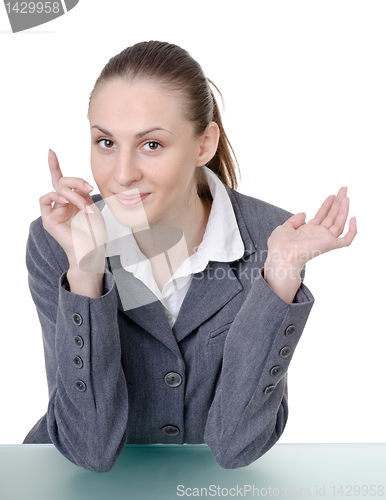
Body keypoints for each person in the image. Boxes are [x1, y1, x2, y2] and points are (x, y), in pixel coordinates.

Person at [23, 40, 357, 473]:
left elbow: (235, 445)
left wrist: (279, 278)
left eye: (151, 145)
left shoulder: (268, 242)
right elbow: (88, 446)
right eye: (106, 142)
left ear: (204, 144)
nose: (122, 173)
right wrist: (85, 271)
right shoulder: (58, 241)